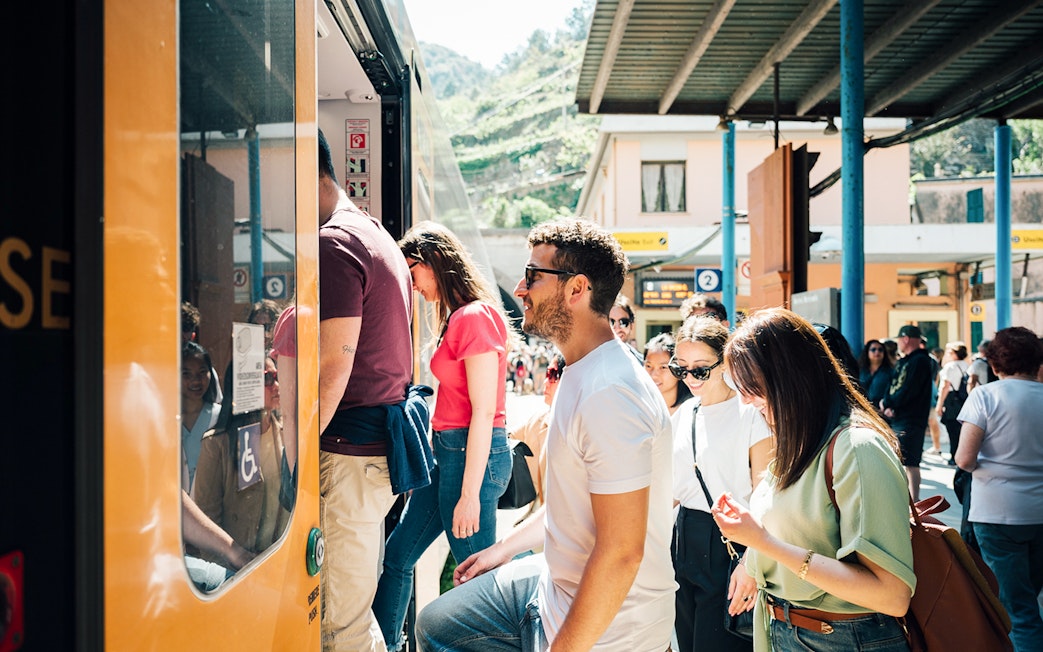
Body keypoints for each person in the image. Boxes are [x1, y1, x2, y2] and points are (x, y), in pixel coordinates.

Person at [415, 219, 676, 651]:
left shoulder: (610, 393)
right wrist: (502, 551)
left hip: (606, 632)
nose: (520, 288)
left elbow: (621, 554)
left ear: (577, 289)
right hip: (550, 586)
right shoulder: (583, 368)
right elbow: (570, 504)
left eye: (534, 276)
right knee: (437, 624)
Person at [712, 308, 916, 652]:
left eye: (751, 386)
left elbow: (892, 595)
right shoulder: (799, 440)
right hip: (788, 629)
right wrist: (753, 560)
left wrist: (763, 544)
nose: (745, 400)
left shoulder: (858, 447)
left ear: (789, 377)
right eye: (737, 386)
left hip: (844, 638)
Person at [373, 221, 513, 651]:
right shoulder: (459, 317)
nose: (412, 286)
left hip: (470, 458)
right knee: (398, 557)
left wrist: (469, 493)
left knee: (476, 575)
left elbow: (485, 412)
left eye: (411, 272)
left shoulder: (474, 316)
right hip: (448, 456)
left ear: (432, 261)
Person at [315, 128, 414, 652]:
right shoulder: (373, 233)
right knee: (353, 612)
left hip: (348, 455)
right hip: (374, 455)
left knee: (339, 626)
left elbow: (334, 364)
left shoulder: (334, 242)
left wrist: (295, 453)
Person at [669, 316, 772, 652]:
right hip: (683, 540)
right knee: (687, 643)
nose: (689, 378)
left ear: (725, 361)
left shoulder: (750, 414)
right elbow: (670, 491)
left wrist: (751, 561)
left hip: (731, 543)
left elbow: (766, 495)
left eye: (700, 369)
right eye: (680, 368)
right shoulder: (685, 413)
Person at [954, 326, 1043, 652]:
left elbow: (964, 459)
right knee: (1025, 597)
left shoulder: (985, 397)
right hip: (1039, 514)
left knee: (1017, 609)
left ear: (994, 365)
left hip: (997, 513)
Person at [191, 356, 289, 564]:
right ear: (244, 387)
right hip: (238, 573)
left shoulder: (286, 435)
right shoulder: (217, 445)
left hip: (279, 562)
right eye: (268, 379)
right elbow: (208, 522)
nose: (277, 385)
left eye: (277, 376)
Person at [879, 324, 934, 501]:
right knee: (901, 460)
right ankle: (906, 498)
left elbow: (909, 389)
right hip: (900, 416)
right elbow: (894, 385)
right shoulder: (907, 360)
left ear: (905, 339)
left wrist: (891, 404)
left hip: (911, 418)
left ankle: (914, 500)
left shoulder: (920, 361)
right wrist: (887, 402)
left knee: (910, 461)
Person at [181, 340, 222, 491]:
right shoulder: (166, 420)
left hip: (209, 510)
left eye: (202, 372)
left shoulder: (219, 417)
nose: (196, 380)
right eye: (186, 373)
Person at [934, 341, 970, 464]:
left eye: (949, 352)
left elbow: (945, 386)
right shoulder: (966, 365)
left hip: (951, 401)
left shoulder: (950, 367)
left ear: (954, 353)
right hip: (962, 400)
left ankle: (954, 456)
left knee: (952, 430)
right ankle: (960, 454)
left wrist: (939, 405)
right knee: (960, 430)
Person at [643, 332, 693, 415]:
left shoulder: (692, 409)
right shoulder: (639, 407)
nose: (653, 375)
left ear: (678, 369)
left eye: (663, 367)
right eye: (648, 366)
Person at [857, 339, 894, 408]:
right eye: (873, 349)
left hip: (881, 410)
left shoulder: (890, 371)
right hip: (862, 410)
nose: (877, 352)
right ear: (867, 352)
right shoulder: (860, 370)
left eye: (880, 350)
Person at [610, 293, 644, 362]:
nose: (617, 328)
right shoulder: (588, 360)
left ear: (631, 326)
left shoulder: (641, 362)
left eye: (623, 322)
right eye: (611, 322)